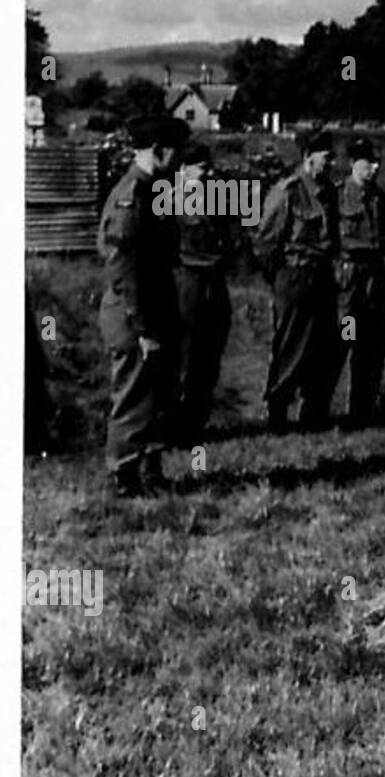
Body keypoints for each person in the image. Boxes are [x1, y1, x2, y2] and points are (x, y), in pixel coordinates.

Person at [97, 114, 187, 497]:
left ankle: (150, 470)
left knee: (157, 394)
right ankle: (123, 474)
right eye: (175, 153)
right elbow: (124, 267)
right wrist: (144, 328)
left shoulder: (154, 190)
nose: (179, 162)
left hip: (155, 308)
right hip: (135, 314)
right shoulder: (132, 194)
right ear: (159, 150)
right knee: (133, 395)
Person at [253, 130, 341, 432]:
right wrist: (281, 278)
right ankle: (277, 412)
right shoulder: (287, 191)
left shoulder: (329, 191)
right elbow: (266, 243)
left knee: (324, 345)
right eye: (326, 157)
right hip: (294, 276)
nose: (331, 162)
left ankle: (313, 413)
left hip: (323, 277)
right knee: (290, 346)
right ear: (308, 157)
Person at [172, 141, 239, 447]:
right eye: (202, 168)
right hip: (188, 283)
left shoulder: (218, 198)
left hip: (214, 282)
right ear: (183, 170)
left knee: (210, 356)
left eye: (209, 168)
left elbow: (233, 237)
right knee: (184, 358)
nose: (208, 173)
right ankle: (177, 427)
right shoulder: (169, 201)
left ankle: (198, 424)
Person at [337, 136, 385, 426]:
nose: (374, 167)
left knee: (371, 347)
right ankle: (317, 411)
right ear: (354, 163)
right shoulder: (337, 196)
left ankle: (362, 411)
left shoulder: (383, 201)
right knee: (342, 342)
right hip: (348, 282)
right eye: (368, 162)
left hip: (375, 283)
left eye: (377, 162)